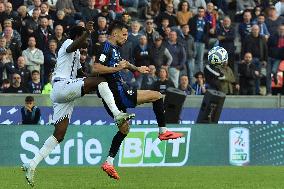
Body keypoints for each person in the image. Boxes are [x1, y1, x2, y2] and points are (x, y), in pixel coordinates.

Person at [21, 21, 135, 187]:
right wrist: (87, 33)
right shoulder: (67, 43)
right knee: (101, 81)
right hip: (62, 86)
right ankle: (117, 114)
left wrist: (95, 78)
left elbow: (84, 75)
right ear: (78, 36)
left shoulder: (76, 56)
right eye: (84, 38)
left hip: (64, 93)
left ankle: (31, 165)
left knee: (59, 134)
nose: (87, 42)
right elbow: (73, 46)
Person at [93, 21, 183, 180]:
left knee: (124, 130)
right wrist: (117, 69)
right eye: (124, 34)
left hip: (113, 98)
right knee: (157, 95)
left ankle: (108, 162)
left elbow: (125, 63)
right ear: (115, 33)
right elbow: (96, 68)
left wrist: (137, 69)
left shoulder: (114, 49)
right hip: (118, 92)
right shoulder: (105, 47)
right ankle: (163, 132)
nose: (126, 38)